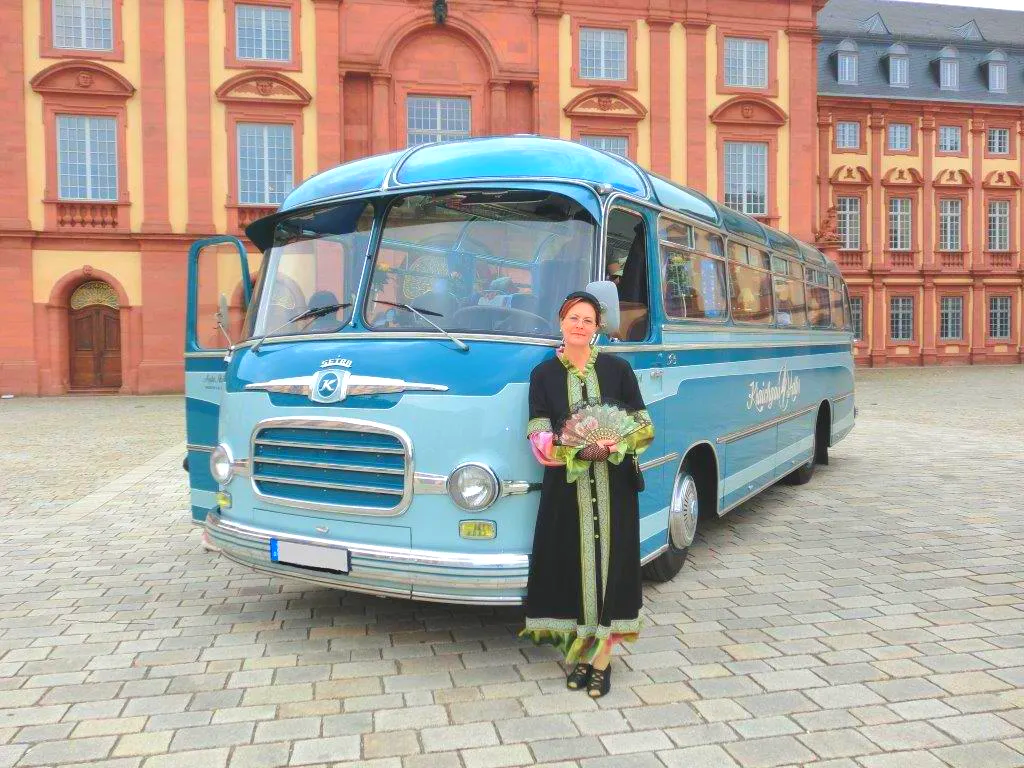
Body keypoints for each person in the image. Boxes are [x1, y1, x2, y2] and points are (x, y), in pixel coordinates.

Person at [520, 291, 654, 698]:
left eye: (588, 320)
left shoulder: (618, 370)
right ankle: (579, 656)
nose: (580, 325)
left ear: (598, 328)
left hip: (615, 490)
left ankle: (601, 663)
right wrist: (578, 450)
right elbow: (539, 434)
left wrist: (614, 445)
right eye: (573, 318)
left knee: (611, 571)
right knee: (570, 570)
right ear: (561, 322)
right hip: (566, 491)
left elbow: (643, 425)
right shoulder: (543, 375)